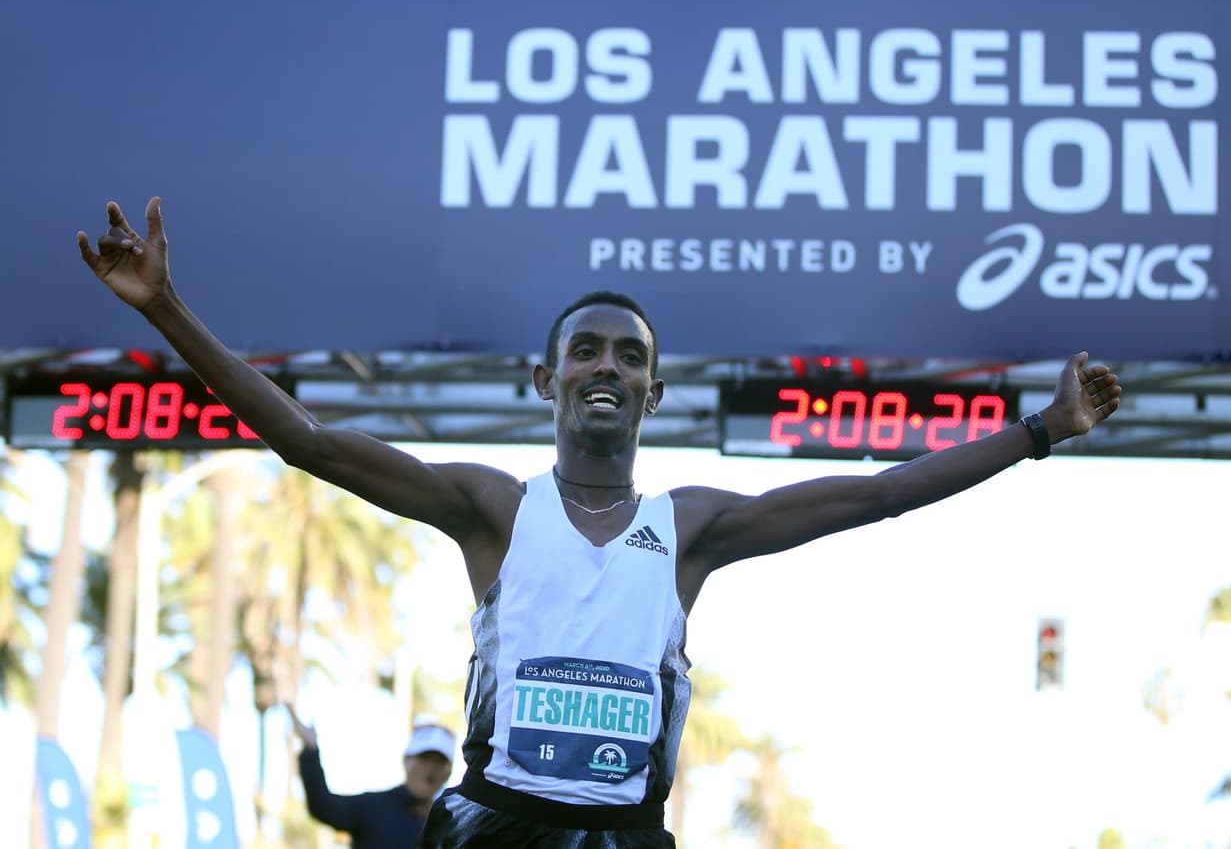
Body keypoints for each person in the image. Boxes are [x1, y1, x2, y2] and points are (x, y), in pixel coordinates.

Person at [79, 198, 1122, 848]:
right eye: (586, 350)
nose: (606, 366)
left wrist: (1041, 429)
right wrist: (164, 309)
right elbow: (307, 440)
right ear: (548, 379)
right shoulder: (493, 508)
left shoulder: (689, 529)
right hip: (491, 827)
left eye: (629, 355)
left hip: (624, 836)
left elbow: (876, 494)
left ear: (653, 394)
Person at [285, 702, 455, 848]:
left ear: (448, 773)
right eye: (424, 757)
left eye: (440, 762)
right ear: (406, 760)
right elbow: (323, 807)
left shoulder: (454, 824)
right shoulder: (373, 808)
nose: (431, 767)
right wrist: (311, 751)